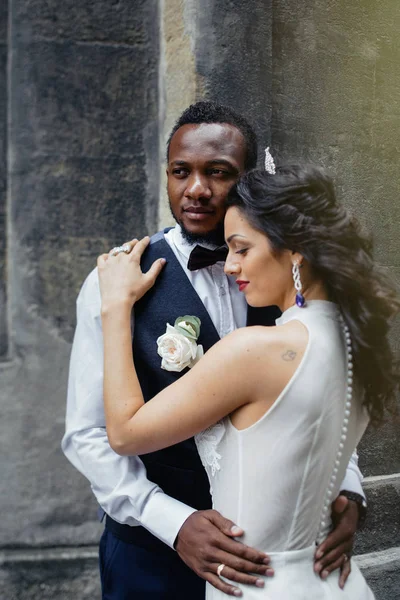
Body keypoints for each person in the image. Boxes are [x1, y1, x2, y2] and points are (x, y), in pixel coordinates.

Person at [62, 102, 367, 599]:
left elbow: (323, 393)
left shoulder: (285, 279)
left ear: (247, 182)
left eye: (218, 173)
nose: (196, 189)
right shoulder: (114, 283)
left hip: (272, 558)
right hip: (150, 555)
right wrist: (172, 522)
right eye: (181, 172)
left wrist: (344, 487)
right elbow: (89, 433)